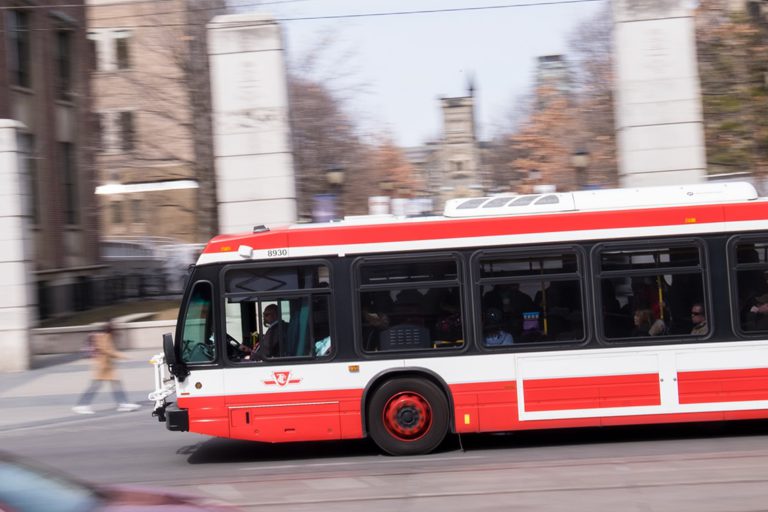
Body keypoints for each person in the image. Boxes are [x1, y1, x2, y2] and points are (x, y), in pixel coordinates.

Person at [72, 321, 140, 414]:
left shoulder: (105, 336)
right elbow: (107, 350)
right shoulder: (102, 337)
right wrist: (123, 356)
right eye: (114, 328)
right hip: (101, 367)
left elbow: (108, 351)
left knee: (116, 385)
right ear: (110, 329)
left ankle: (123, 403)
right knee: (95, 386)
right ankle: (81, 405)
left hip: (107, 366)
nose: (116, 330)